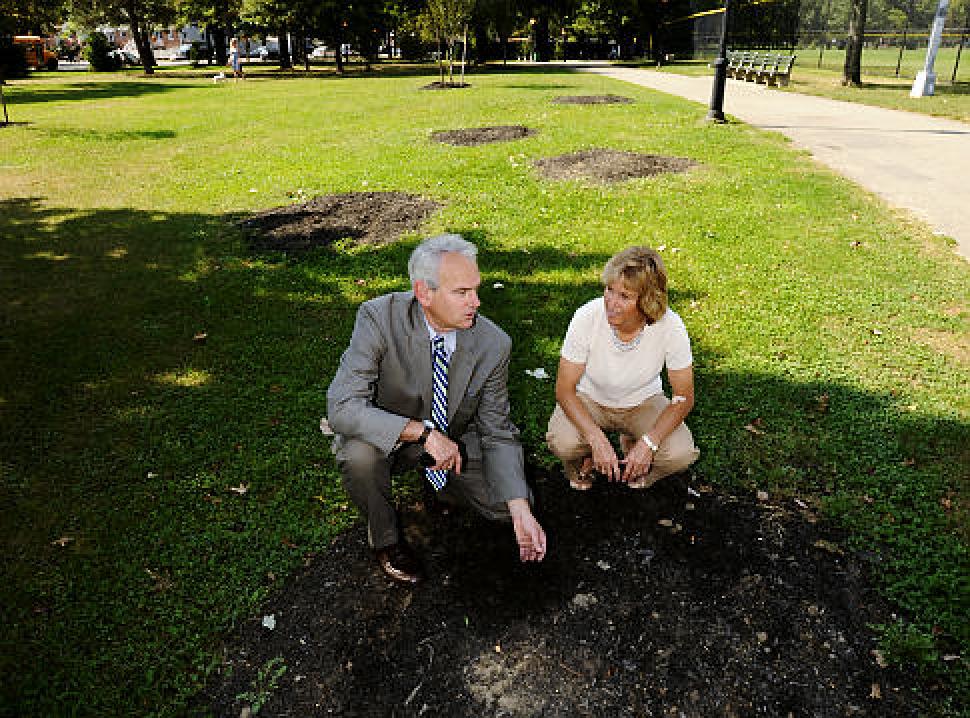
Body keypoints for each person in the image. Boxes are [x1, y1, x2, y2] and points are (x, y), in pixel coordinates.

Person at [327, 234, 547, 584]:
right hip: (392, 435)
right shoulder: (377, 318)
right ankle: (386, 540)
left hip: (456, 437)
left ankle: (440, 484)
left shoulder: (494, 343)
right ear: (424, 293)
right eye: (462, 293)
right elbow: (341, 407)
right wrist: (423, 433)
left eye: (476, 289)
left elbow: (497, 430)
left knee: (506, 508)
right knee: (359, 457)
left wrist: (520, 509)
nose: (476, 302)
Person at [546, 246, 700, 491]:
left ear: (647, 301)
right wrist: (596, 439)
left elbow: (683, 396)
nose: (611, 303)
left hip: (643, 401)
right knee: (564, 442)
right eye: (610, 290)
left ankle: (642, 468)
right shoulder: (586, 317)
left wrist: (649, 443)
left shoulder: (671, 326)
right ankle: (579, 464)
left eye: (624, 297)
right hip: (590, 399)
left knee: (680, 453)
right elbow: (565, 389)